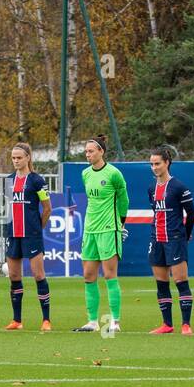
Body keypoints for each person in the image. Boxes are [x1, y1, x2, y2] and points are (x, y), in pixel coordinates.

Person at [73, 136, 129, 333]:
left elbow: (124, 200)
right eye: (86, 152)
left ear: (101, 152)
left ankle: (114, 321)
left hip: (108, 229)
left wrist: (119, 224)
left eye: (91, 151)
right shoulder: (85, 174)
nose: (88, 155)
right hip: (90, 230)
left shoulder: (114, 173)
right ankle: (93, 322)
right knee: (88, 275)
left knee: (109, 274)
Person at [146, 147, 194, 334]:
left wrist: (186, 233)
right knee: (161, 282)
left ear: (167, 163)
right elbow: (155, 212)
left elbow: (191, 213)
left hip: (175, 239)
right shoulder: (151, 188)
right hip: (156, 238)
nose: (154, 167)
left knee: (180, 280)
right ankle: (167, 324)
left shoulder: (179, 187)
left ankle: (186, 324)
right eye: (151, 164)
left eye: (157, 163)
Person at [4, 142, 52, 331]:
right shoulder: (8, 181)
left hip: (32, 234)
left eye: (19, 158)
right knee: (14, 276)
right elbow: (10, 206)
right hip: (13, 233)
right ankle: (17, 320)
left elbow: (47, 208)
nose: (16, 161)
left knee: (38, 275)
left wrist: (37, 228)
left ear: (28, 158)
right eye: (13, 158)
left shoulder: (37, 180)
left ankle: (46, 320)